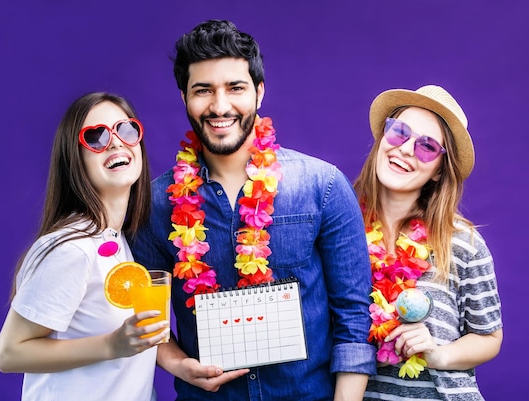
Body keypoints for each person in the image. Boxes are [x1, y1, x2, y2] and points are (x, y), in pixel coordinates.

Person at [130, 20, 377, 400]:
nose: (220, 105)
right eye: (203, 90)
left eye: (235, 87)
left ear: (259, 92)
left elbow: (353, 319)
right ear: (183, 98)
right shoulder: (154, 204)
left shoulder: (323, 186)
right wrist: (179, 365)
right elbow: (147, 322)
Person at [0, 92, 168, 401]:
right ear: (75, 160)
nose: (115, 143)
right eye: (96, 137)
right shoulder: (72, 248)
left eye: (126, 130)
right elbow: (8, 353)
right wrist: (112, 345)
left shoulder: (119, 240)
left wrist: (181, 366)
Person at [353, 85, 503, 400]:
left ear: (438, 170)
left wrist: (437, 353)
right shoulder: (342, 232)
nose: (406, 149)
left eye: (427, 146)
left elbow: (490, 337)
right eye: (399, 132)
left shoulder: (463, 243)